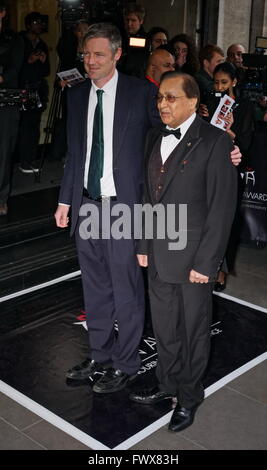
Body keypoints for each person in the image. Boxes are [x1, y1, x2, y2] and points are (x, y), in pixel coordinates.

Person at [54, 23, 160, 393]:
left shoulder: (141, 93)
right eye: (86, 54)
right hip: (87, 204)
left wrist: (219, 146)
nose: (90, 61)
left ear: (117, 54)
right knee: (95, 286)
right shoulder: (77, 95)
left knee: (126, 287)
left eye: (99, 54)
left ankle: (127, 362)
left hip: (124, 208)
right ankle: (100, 354)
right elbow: (75, 154)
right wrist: (66, 199)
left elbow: (169, 140)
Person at [130, 71, 238, 433]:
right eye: (160, 97)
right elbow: (148, 197)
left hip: (194, 259)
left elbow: (221, 208)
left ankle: (189, 397)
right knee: (164, 327)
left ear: (193, 102)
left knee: (193, 331)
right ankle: (166, 383)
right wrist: (144, 245)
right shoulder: (152, 137)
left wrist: (207, 263)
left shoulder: (215, 141)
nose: (163, 104)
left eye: (171, 97)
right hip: (158, 254)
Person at [202, 61, 254, 291]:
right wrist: (199, 115)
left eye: (224, 82)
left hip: (233, 170)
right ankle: (208, 266)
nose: (220, 86)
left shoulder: (244, 107)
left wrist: (229, 129)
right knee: (207, 220)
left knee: (226, 222)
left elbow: (246, 144)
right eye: (216, 82)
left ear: (234, 82)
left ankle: (222, 270)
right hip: (208, 168)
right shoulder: (209, 102)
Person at [17, 11, 50, 173]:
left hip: (37, 89)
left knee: (34, 126)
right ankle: (23, 161)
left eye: (40, 23)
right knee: (23, 126)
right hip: (23, 88)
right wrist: (28, 61)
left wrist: (42, 61)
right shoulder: (19, 41)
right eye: (36, 22)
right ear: (29, 24)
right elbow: (14, 68)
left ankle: (30, 159)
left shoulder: (42, 44)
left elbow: (47, 70)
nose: (39, 25)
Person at [0, 0, 24, 215]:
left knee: (3, 151)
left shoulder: (13, 39)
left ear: (3, 13)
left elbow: (14, 71)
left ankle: (1, 198)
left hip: (5, 102)